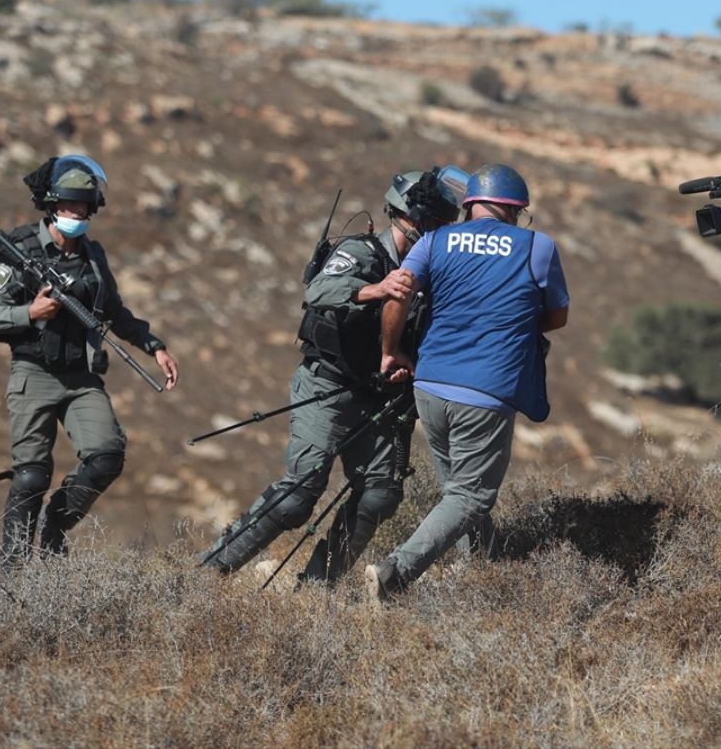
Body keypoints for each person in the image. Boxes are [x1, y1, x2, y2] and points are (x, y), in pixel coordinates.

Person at [201, 167, 468, 584]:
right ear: (411, 218)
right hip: (327, 388)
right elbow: (319, 292)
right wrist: (375, 290)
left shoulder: (434, 273)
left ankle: (318, 587)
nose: (442, 233)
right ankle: (212, 570)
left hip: (380, 398)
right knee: (299, 494)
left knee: (381, 495)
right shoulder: (362, 253)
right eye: (436, 224)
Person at [367, 162, 570, 601]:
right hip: (486, 391)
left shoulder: (435, 240)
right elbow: (557, 316)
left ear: (472, 204)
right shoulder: (538, 247)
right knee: (471, 497)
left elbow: (397, 294)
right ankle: (393, 575)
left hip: (431, 387)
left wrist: (390, 350)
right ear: (513, 210)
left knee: (456, 491)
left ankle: (483, 572)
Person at [0, 155, 179, 569]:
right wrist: (29, 314)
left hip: (81, 376)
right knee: (32, 475)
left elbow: (116, 313)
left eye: (83, 206)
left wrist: (153, 345)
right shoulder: (19, 249)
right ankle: (11, 569)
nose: (77, 212)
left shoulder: (92, 256)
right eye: (69, 205)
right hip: (33, 372)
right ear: (52, 206)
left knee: (106, 454)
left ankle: (55, 526)